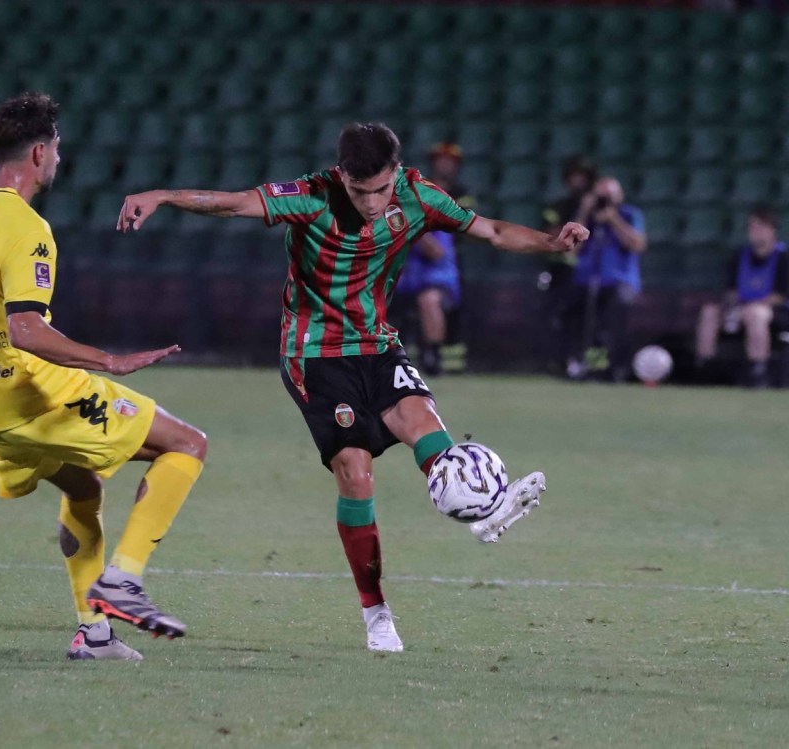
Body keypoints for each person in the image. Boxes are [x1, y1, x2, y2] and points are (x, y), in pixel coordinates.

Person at [116, 123, 588, 652]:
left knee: (426, 430)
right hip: (314, 355)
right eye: (360, 191)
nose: (370, 202)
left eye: (380, 190)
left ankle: (479, 509)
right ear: (342, 175)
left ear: (396, 175)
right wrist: (161, 195)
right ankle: (376, 610)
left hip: (377, 344)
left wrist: (551, 242)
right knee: (356, 474)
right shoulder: (311, 197)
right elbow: (233, 204)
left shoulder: (418, 195)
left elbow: (493, 232)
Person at [0, 92, 207, 662]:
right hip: (33, 394)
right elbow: (27, 332)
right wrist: (110, 361)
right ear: (39, 153)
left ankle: (94, 634)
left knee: (84, 487)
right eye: (57, 149)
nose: (59, 159)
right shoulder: (27, 228)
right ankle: (123, 581)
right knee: (187, 445)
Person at [393, 142, 475, 375]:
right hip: (403, 276)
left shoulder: (458, 198)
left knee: (429, 300)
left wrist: (410, 228)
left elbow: (438, 250)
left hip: (438, 276)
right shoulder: (406, 204)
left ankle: (432, 356)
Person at [562, 175, 647, 382]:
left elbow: (637, 245)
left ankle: (610, 367)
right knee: (568, 311)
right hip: (586, 280)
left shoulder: (629, 215)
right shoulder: (586, 220)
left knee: (611, 315)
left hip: (619, 282)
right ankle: (575, 363)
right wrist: (584, 212)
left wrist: (613, 219)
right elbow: (570, 250)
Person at [694, 205, 788, 388]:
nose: (755, 232)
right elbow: (731, 290)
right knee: (710, 313)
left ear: (772, 230)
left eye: (760, 227)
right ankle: (705, 366)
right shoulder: (740, 256)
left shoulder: (783, 257)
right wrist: (731, 307)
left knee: (755, 314)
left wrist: (752, 306)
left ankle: (758, 369)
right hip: (741, 307)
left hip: (774, 312)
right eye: (752, 227)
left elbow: (781, 295)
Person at [540, 155, 597, 373]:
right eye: (575, 176)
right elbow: (562, 240)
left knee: (587, 321)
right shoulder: (559, 206)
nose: (579, 181)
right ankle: (562, 362)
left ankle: (585, 362)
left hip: (593, 273)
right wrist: (584, 211)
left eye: (583, 177)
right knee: (562, 317)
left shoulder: (601, 209)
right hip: (563, 271)